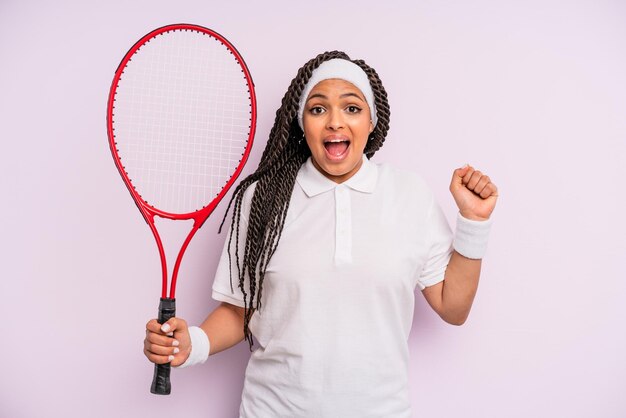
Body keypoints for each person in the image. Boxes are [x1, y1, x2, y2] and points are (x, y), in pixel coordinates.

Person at [143, 50, 499, 417]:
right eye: (317, 109)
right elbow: (239, 311)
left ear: (372, 121)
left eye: (351, 108)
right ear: (301, 123)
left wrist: (473, 223)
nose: (334, 122)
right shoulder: (264, 198)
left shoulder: (409, 195)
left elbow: (453, 308)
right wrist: (192, 345)